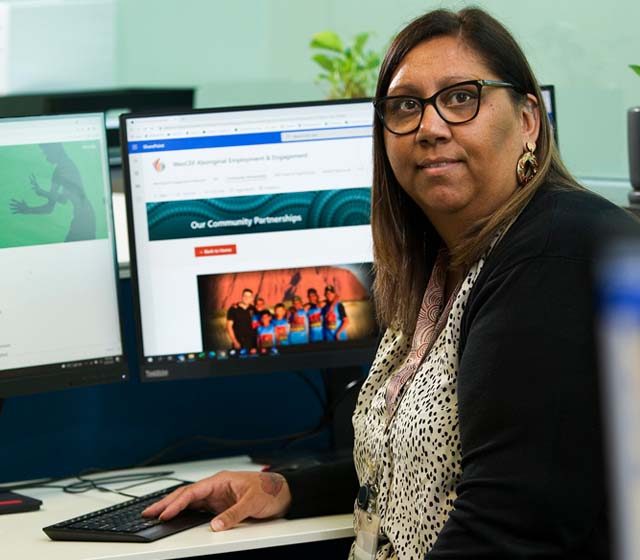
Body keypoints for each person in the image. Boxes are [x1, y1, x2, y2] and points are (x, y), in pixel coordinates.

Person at [142, 8, 640, 558]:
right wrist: (285, 488)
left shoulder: (554, 253)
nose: (429, 128)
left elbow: (509, 528)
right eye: (405, 107)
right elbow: (427, 466)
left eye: (461, 97)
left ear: (528, 119)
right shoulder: (445, 261)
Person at [9, 143, 97, 242]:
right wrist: (29, 208)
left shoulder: (66, 167)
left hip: (84, 218)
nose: (46, 156)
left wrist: (42, 193)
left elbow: (72, 196)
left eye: (46, 152)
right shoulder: (59, 171)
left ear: (55, 149)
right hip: (83, 217)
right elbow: (59, 202)